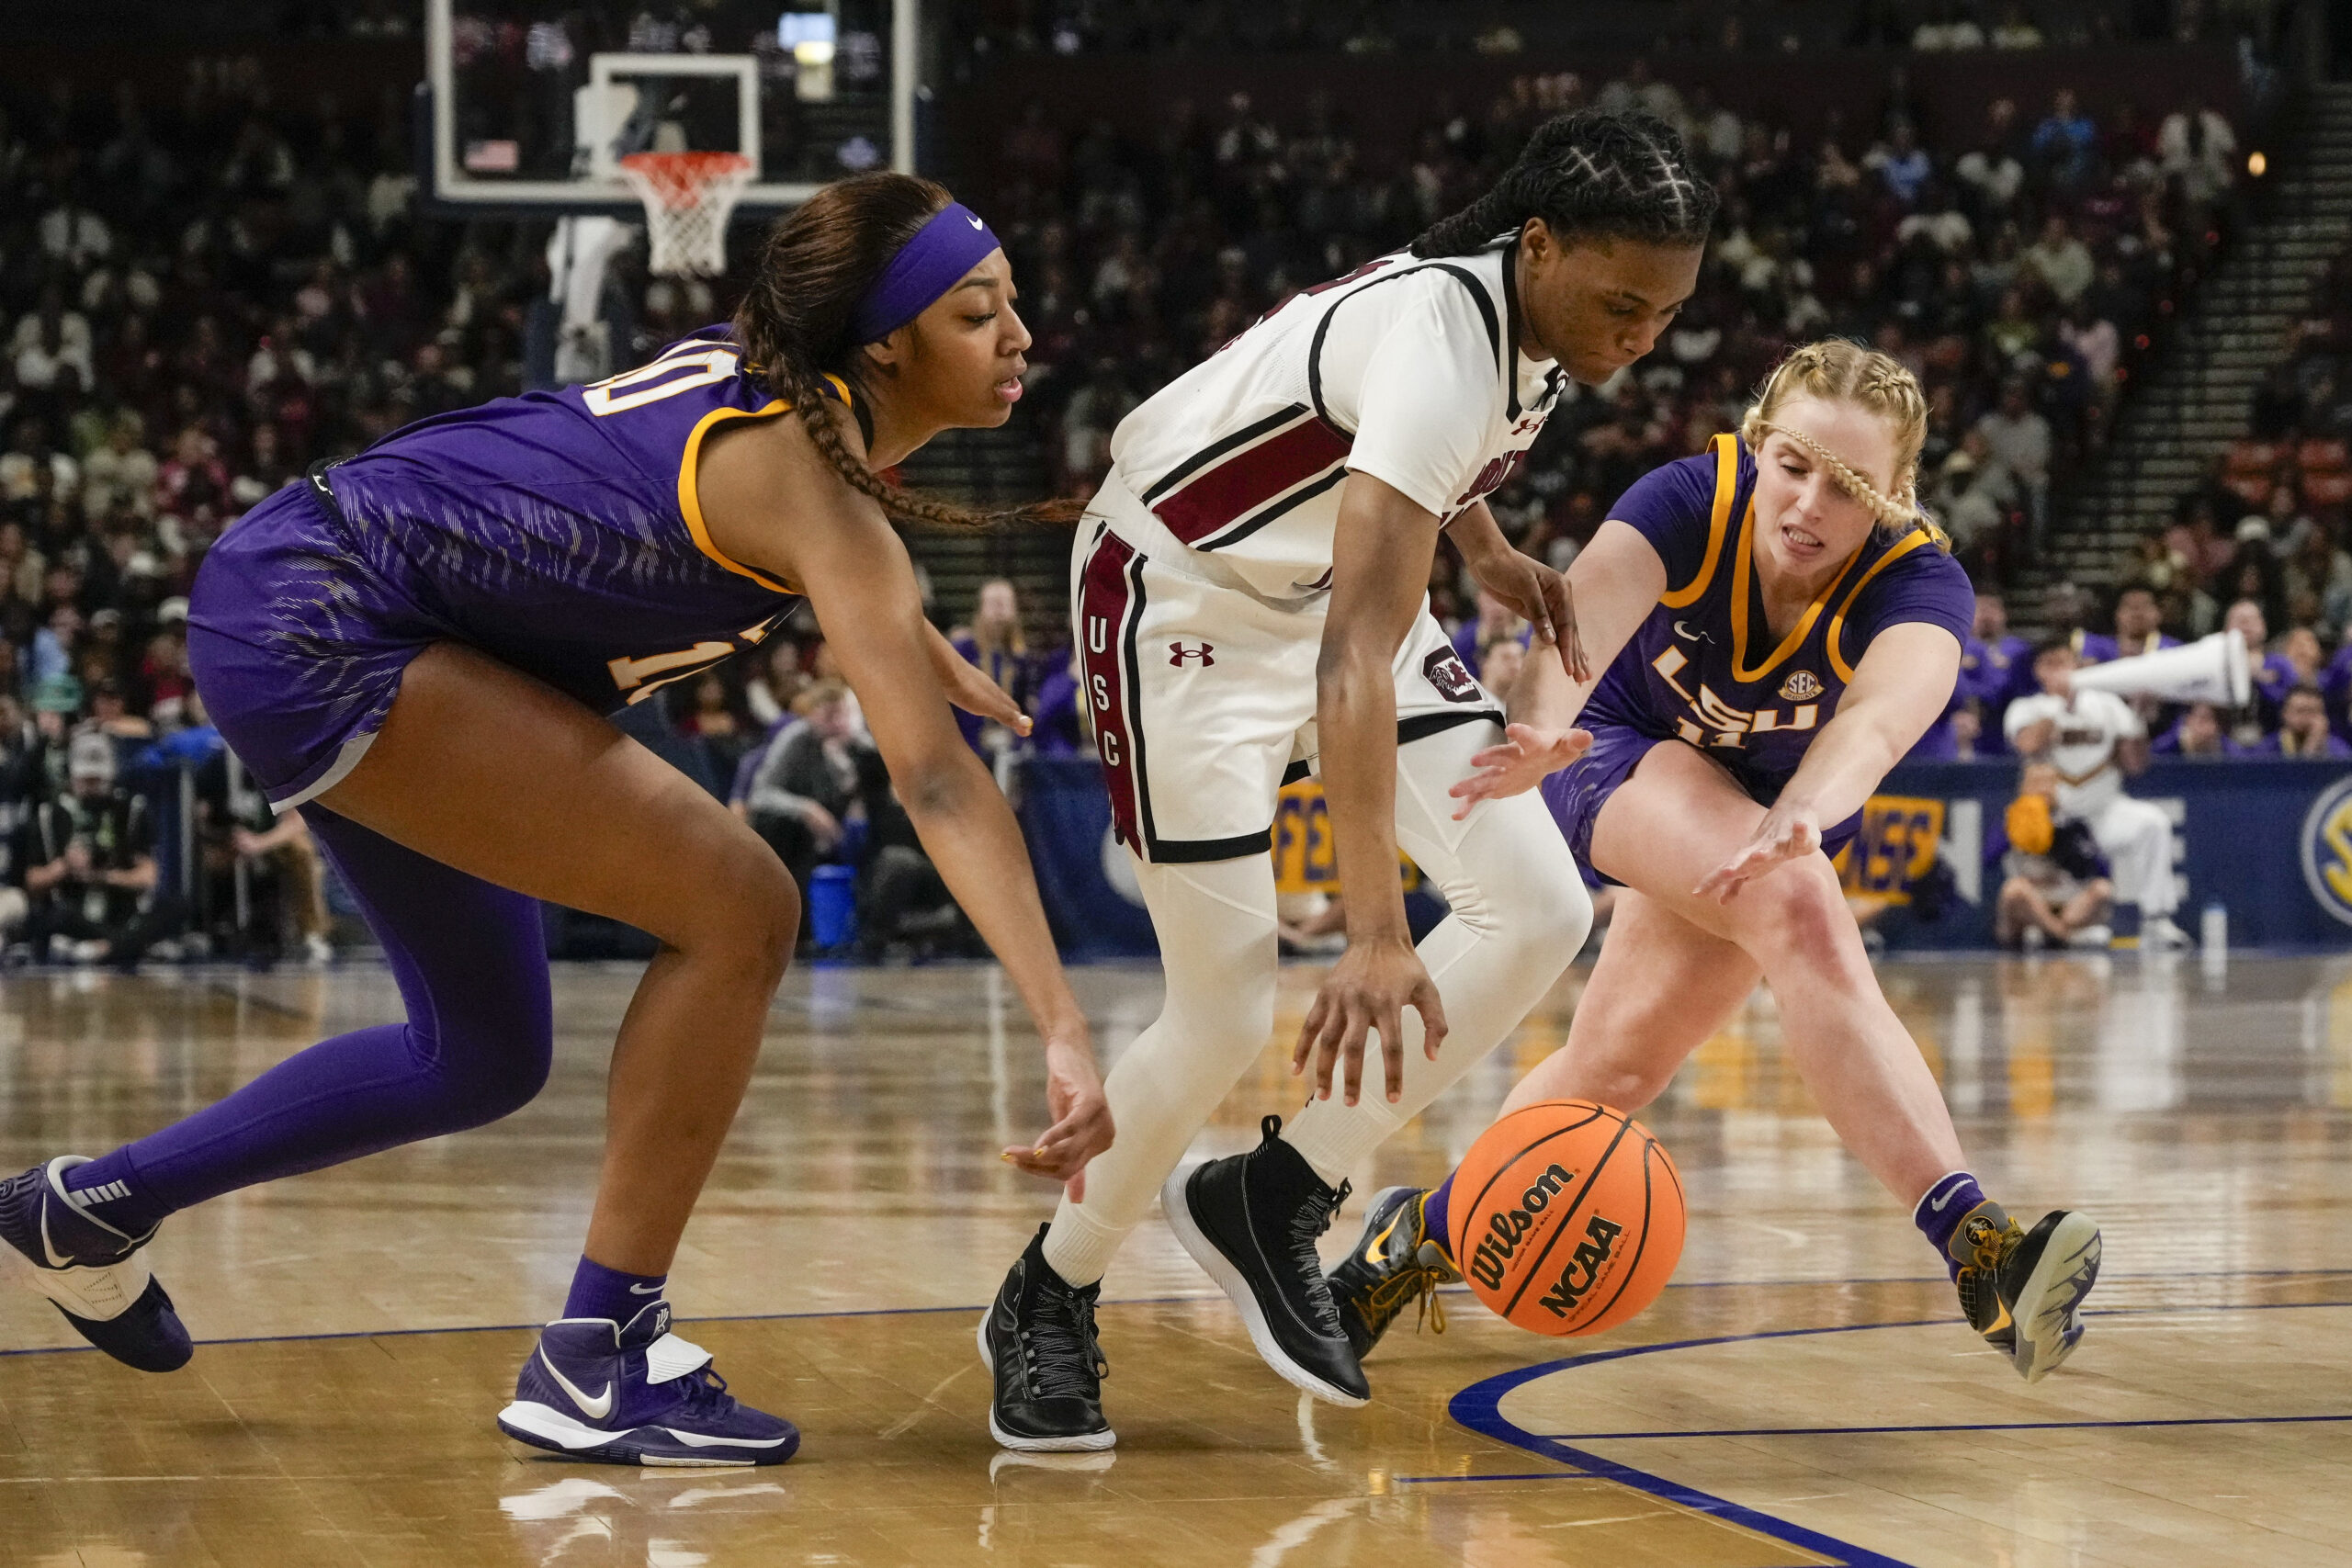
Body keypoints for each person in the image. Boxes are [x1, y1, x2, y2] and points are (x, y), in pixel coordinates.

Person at [0, 173, 1114, 1468]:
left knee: (477, 1052)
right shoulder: (823, 493)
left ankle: (85, 1211)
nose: (1021, 334)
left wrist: (906, 630)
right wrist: (1063, 1023)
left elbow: (746, 500)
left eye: (1014, 304)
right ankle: (601, 1352)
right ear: (884, 343)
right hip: (332, 619)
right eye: (979, 312)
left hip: (297, 588)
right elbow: (931, 780)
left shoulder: (765, 385)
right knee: (743, 905)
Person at [980, 109, 1715, 1452]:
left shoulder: (1535, 327)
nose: (1639, 338)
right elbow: (1352, 665)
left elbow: (1415, 467)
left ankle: (1275, 1190)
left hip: (1329, 592)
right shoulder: (1445, 339)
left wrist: (1482, 547)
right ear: (1536, 244)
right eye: (1622, 304)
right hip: (1178, 601)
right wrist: (1376, 932)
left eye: (1666, 316)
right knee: (1220, 1008)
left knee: (1541, 909)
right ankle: (1052, 1283)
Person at [1322, 341, 2103, 1390]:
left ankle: (1416, 1234)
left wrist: (1806, 811)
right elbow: (1577, 629)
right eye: (1793, 465)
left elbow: (1875, 726)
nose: (1809, 504)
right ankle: (1981, 1251)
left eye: (1851, 486)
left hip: (1769, 808)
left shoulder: (1920, 584)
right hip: (1606, 744)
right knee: (1798, 906)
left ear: (1899, 496)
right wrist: (1542, 725)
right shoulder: (1689, 499)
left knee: (1614, 1078)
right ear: (1754, 442)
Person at [2005, 639, 2187, 948]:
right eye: (2049, 664)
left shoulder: (2106, 705)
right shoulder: (2027, 707)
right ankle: (2052, 928)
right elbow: (2028, 745)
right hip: (2054, 820)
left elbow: (2135, 766)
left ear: (2076, 665)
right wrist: (2059, 704)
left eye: (2063, 662)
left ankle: (2157, 919)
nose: (2058, 670)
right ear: (2038, 671)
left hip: (2103, 808)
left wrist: (2138, 720)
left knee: (2153, 823)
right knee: (2040, 877)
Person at [17, 729, 181, 967]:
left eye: (98, 779)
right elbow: (31, 882)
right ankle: (127, 946)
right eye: (86, 779)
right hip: (73, 915)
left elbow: (148, 877)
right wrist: (66, 866)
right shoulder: (48, 815)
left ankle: (105, 948)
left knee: (175, 906)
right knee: (55, 915)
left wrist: (104, 876)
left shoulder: (131, 811)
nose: (92, 787)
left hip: (121, 913)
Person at [1995, 761, 2113, 950]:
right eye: (2036, 783)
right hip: (2032, 902)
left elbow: (2101, 870)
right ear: (2023, 787)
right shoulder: (2011, 818)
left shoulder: (2071, 821)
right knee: (2014, 890)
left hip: (2067, 902)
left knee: (2102, 889)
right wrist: (2017, 832)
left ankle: (2053, 933)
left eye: (2049, 783)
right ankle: (2062, 935)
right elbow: (1988, 858)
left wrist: (2063, 840)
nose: (2043, 789)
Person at [2261, 682, 2352, 758]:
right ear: (2285, 714)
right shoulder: (2265, 751)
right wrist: (2309, 749)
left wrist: (2314, 742)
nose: (2307, 718)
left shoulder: (2340, 752)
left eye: (2314, 712)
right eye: (2301, 711)